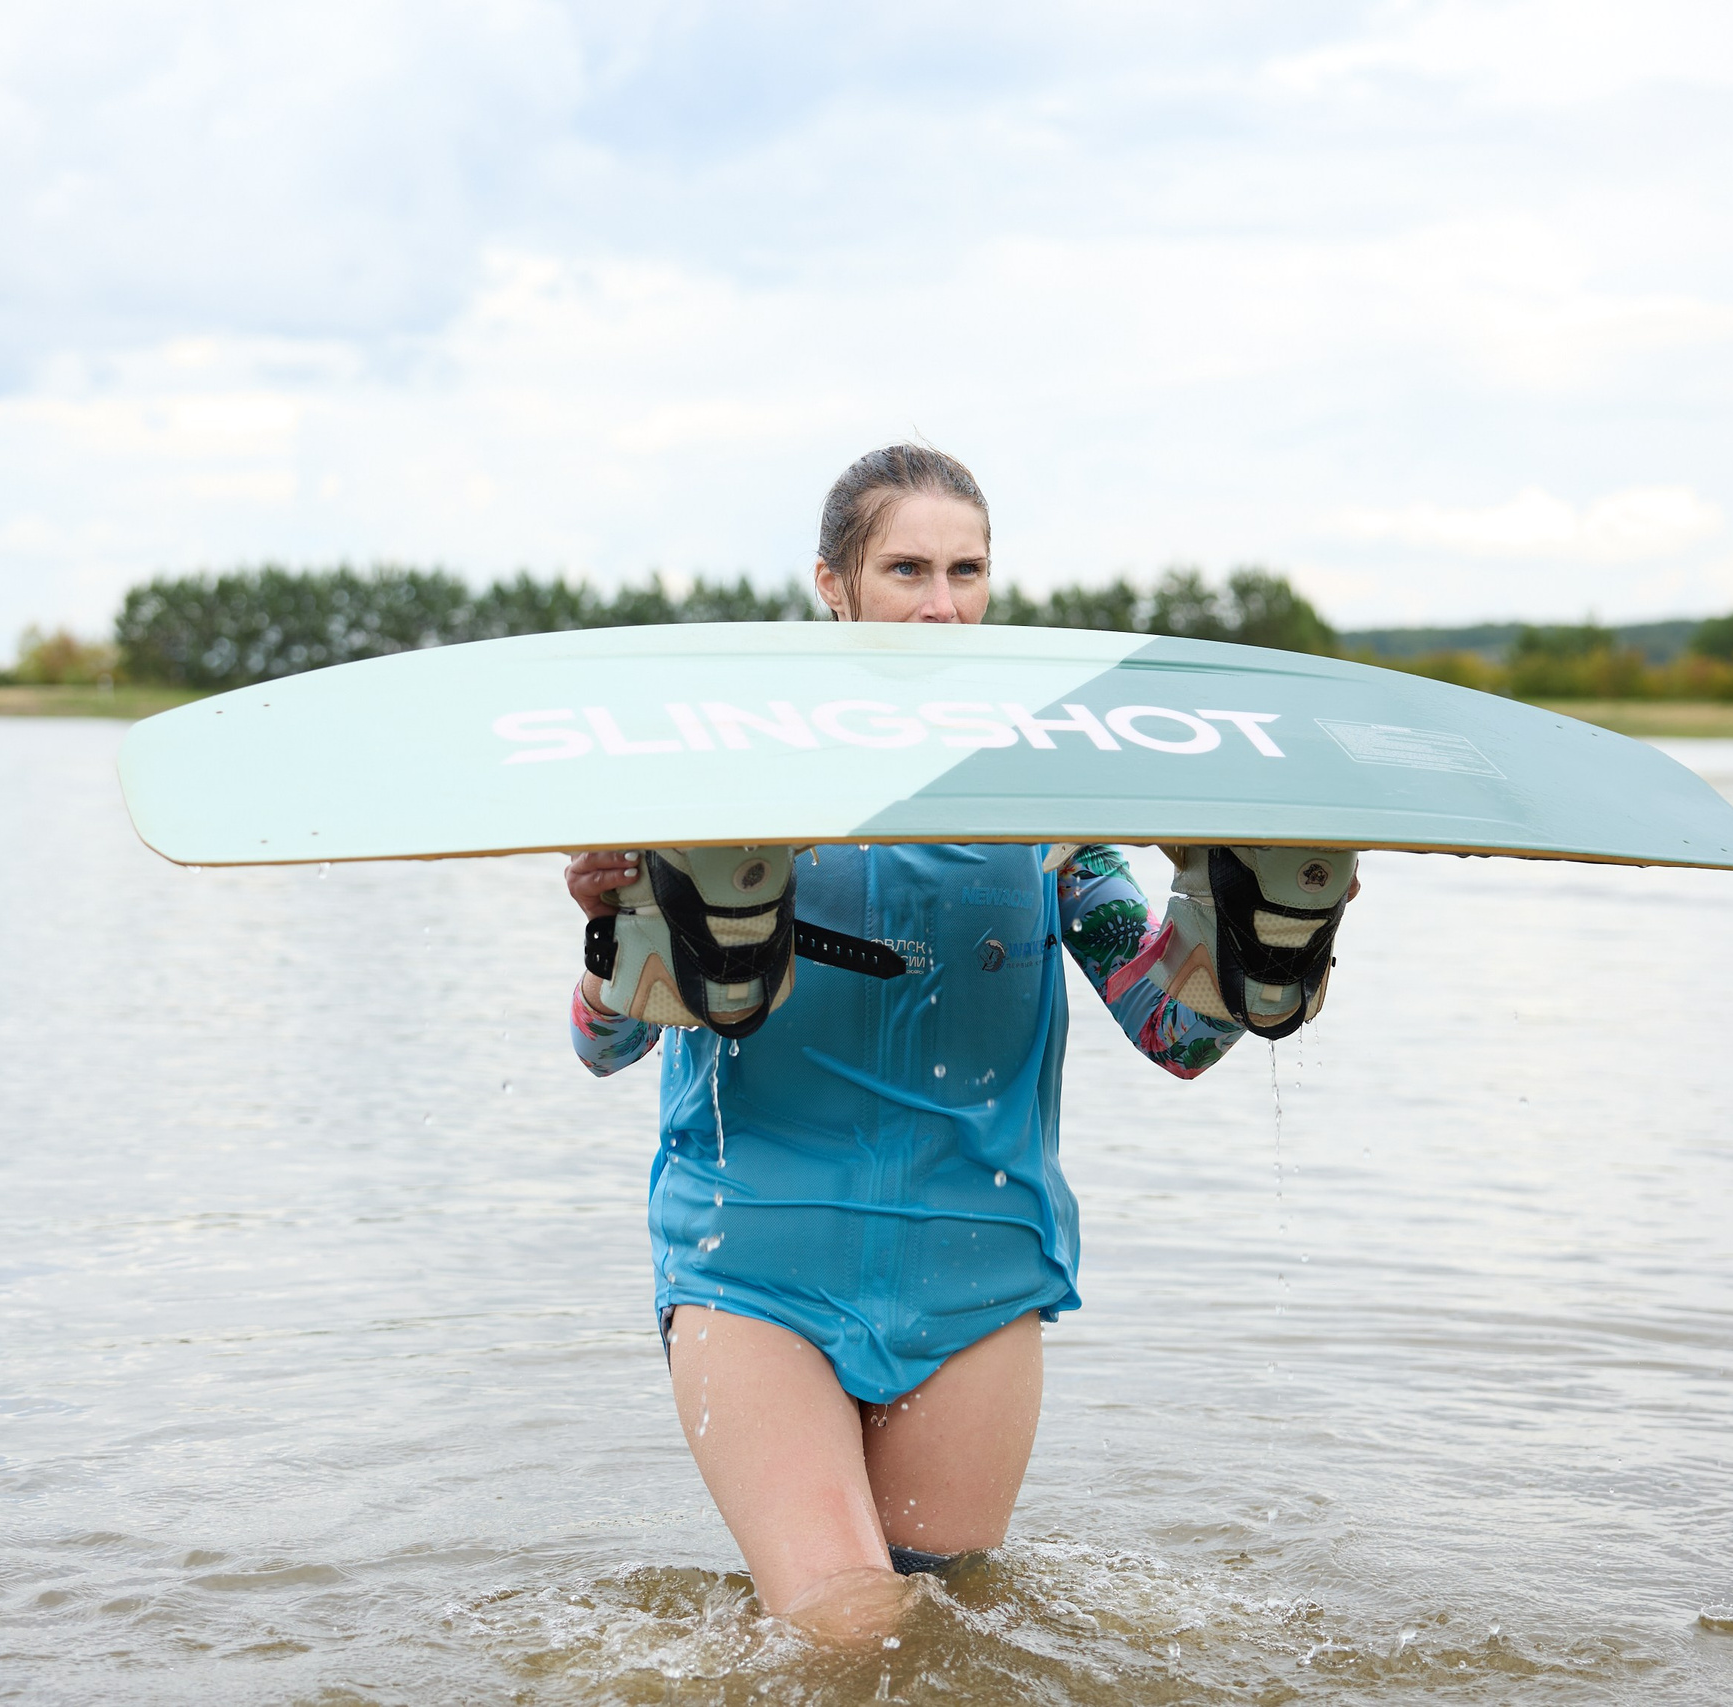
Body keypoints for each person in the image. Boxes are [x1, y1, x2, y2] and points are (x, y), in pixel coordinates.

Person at [563, 444, 1352, 1642]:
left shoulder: (1050, 817)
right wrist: (618, 938)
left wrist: (1266, 937)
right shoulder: (729, 783)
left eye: (967, 571)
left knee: (946, 1632)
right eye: (907, 570)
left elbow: (1172, 1038)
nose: (943, 604)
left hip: (977, 1273)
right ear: (833, 584)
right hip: (754, 1258)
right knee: (849, 1623)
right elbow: (600, 1049)